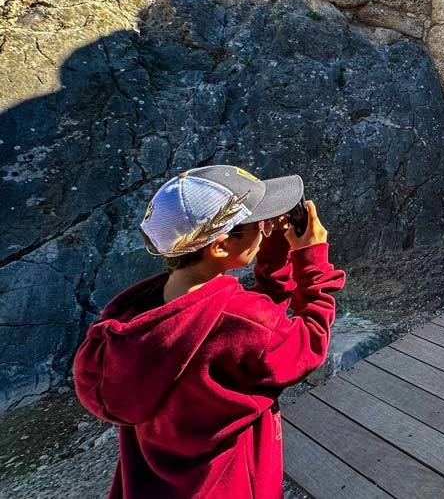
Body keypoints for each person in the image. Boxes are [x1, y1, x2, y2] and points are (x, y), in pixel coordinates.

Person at [73, 165, 345, 499]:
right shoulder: (243, 322)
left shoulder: (132, 313)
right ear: (218, 246)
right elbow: (309, 344)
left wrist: (273, 251)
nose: (265, 228)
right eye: (258, 224)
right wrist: (313, 263)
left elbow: (257, 326)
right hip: (229, 486)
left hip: (156, 485)